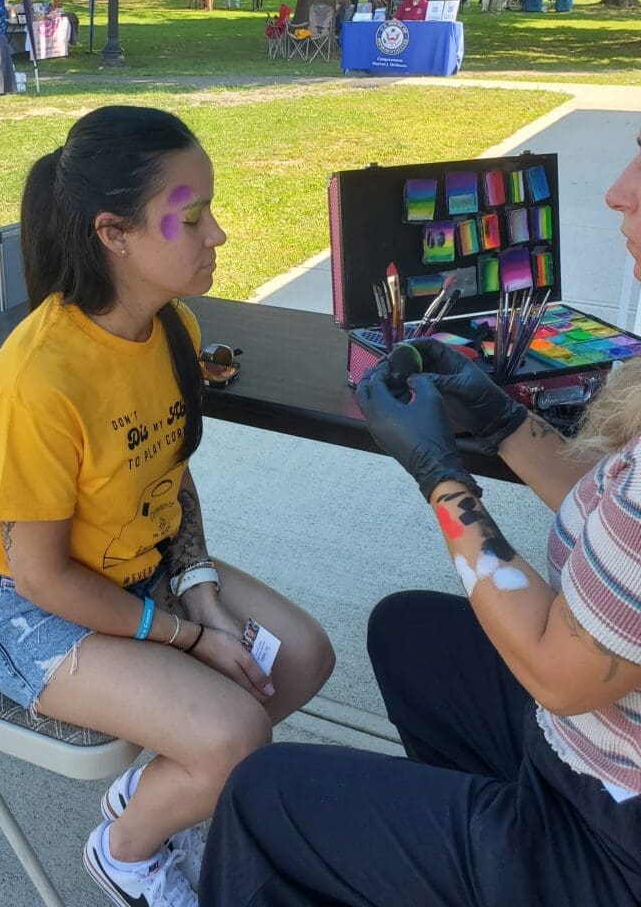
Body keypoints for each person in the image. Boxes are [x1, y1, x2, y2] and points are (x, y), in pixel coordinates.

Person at [200, 131, 641, 906]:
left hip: (606, 840)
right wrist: (500, 418)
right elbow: (610, 512)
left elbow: (560, 673)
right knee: (409, 635)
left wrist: (442, 478)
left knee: (264, 794)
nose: (619, 190)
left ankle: (506, 862)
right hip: (602, 751)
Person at [0, 106, 334, 907]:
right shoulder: (38, 382)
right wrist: (191, 636)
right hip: (33, 614)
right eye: (192, 218)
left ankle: (162, 797)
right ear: (114, 234)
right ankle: (126, 851)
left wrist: (197, 585)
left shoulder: (172, 329)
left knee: (299, 656)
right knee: (235, 734)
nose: (218, 235)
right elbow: (43, 579)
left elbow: (172, 475)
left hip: (148, 570)